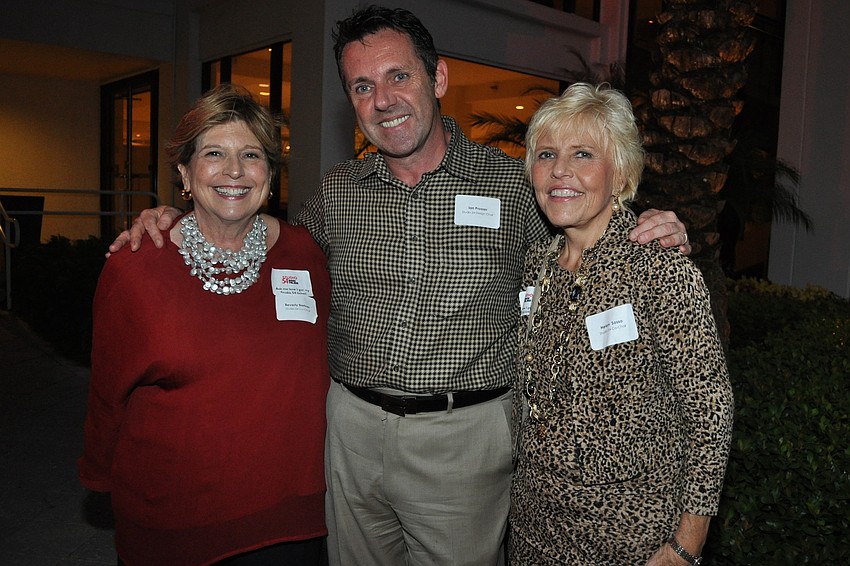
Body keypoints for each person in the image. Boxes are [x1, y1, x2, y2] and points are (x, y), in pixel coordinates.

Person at [107, 6, 691, 566]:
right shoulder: (337, 194)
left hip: (464, 438)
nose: (382, 100)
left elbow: (583, 227)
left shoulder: (515, 184)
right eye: (362, 86)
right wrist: (179, 220)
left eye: (397, 76)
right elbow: (261, 246)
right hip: (351, 434)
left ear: (437, 78)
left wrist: (648, 223)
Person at [78, 84, 331, 566]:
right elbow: (108, 392)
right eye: (214, 153)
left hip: (289, 522)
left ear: (270, 175)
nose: (234, 171)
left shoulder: (305, 254)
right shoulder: (134, 268)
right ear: (184, 174)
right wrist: (97, 474)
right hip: (174, 522)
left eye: (251, 155)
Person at [511, 82, 734, 565]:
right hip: (533, 531)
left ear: (621, 172)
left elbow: (709, 414)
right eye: (546, 154)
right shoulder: (535, 265)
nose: (560, 170)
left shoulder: (659, 268)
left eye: (583, 154)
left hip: (630, 541)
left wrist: (686, 545)